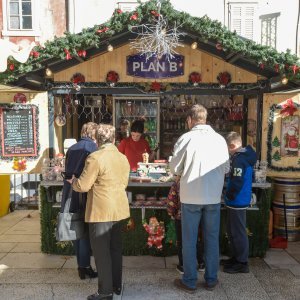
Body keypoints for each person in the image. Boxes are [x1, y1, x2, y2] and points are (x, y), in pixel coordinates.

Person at [170, 104, 229, 293]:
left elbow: (175, 169)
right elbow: (226, 169)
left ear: (190, 120)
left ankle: (189, 280)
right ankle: (211, 279)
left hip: (191, 196)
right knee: (211, 239)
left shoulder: (186, 138)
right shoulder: (219, 140)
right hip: (212, 197)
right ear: (205, 119)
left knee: (189, 239)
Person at [71, 124, 130, 300]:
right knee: (115, 249)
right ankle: (116, 285)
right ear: (113, 139)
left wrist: (73, 182)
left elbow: (83, 186)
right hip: (119, 209)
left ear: (97, 140)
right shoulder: (122, 158)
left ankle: (105, 292)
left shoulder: (95, 157)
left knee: (101, 252)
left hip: (100, 211)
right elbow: (124, 183)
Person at [61, 122, 98, 280]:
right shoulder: (93, 149)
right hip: (84, 194)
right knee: (84, 233)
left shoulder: (72, 148)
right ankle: (85, 267)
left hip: (69, 193)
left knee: (76, 230)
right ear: (94, 134)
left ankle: (81, 266)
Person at [222, 132, 257, 274]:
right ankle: (236, 258)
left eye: (227, 148)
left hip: (237, 200)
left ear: (232, 146)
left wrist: (228, 195)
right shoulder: (244, 157)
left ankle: (242, 262)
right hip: (238, 199)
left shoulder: (239, 160)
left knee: (238, 232)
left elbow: (237, 181)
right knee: (232, 231)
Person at [166, 177, 205, 274]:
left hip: (181, 216)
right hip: (197, 216)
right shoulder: (200, 179)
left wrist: (171, 213)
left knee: (181, 241)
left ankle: (183, 265)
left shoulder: (178, 181)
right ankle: (201, 263)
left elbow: (172, 200)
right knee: (197, 239)